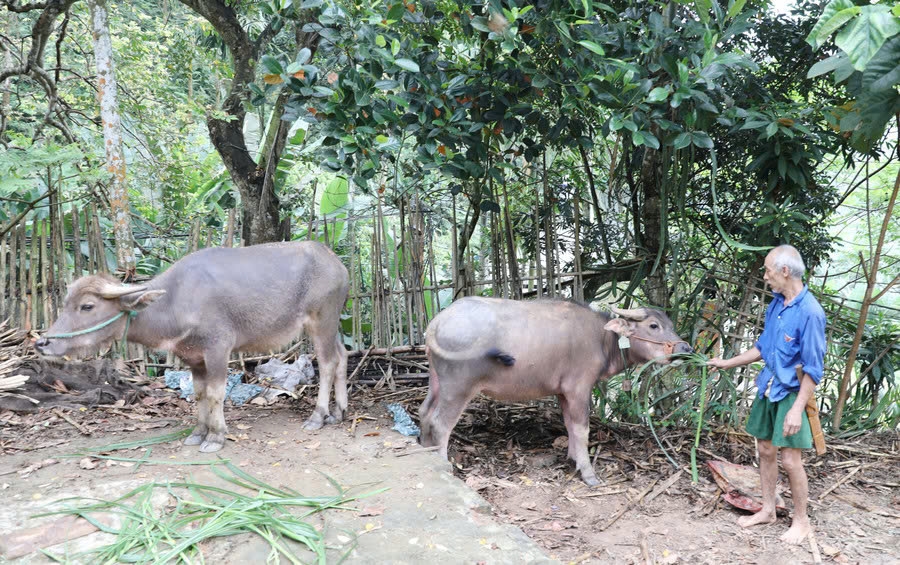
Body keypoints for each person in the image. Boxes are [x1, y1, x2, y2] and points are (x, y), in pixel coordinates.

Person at [707, 244, 826, 544]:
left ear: (785, 271)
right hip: (768, 386)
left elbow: (813, 369)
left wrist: (797, 409)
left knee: (790, 459)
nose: (764, 277)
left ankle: (801, 521)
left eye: (767, 271)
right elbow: (762, 348)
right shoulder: (776, 303)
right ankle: (768, 509)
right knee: (764, 450)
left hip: (791, 392)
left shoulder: (811, 313)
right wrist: (725, 363)